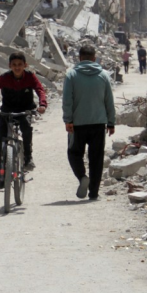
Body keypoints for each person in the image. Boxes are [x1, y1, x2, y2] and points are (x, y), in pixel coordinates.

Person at [0, 52, 48, 190]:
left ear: (25, 65)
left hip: (25, 111)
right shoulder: (4, 78)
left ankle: (28, 157)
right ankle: (1, 171)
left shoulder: (30, 77)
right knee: (1, 138)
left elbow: (40, 89)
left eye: (20, 65)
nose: (17, 67)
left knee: (26, 129)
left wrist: (42, 104)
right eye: (14, 65)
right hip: (7, 111)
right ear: (10, 66)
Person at [63, 45, 116, 200]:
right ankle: (94, 193)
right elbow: (109, 101)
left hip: (77, 125)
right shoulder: (104, 75)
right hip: (98, 124)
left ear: (80, 58)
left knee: (74, 153)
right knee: (96, 159)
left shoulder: (71, 75)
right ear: (94, 58)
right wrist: (111, 122)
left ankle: (82, 177)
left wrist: (68, 120)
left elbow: (67, 100)